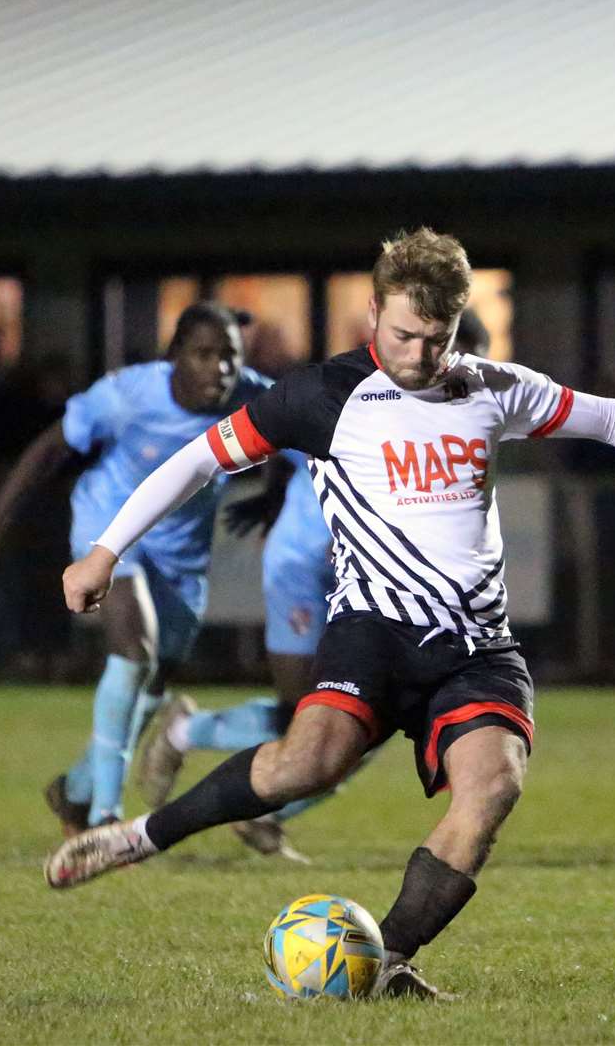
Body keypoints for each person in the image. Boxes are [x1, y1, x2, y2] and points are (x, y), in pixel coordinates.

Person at [44, 229, 615, 998]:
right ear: (372, 313)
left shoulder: (491, 387)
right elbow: (201, 458)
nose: (421, 356)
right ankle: (137, 838)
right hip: (373, 632)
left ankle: (386, 959)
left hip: (476, 645)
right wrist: (105, 551)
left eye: (438, 339)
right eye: (404, 335)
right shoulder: (324, 394)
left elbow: (613, 419)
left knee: (493, 786)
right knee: (306, 763)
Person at [134, 311, 495, 861]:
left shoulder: (453, 420)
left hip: (370, 589)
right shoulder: (362, 395)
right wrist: (274, 495)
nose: (463, 373)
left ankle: (261, 805)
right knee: (305, 714)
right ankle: (189, 735)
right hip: (303, 569)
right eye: (460, 358)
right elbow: (285, 427)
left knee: (357, 720)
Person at [0, 303, 268, 834]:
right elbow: (51, 446)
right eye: (204, 354)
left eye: (229, 356)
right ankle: (106, 818)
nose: (219, 368)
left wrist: (276, 492)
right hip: (110, 533)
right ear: (174, 358)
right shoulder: (128, 396)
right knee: (133, 651)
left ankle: (76, 791)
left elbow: (310, 442)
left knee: (157, 680)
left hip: (184, 559)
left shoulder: (255, 395)